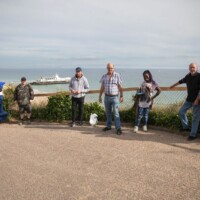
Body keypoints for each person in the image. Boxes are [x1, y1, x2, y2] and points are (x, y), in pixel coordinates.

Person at [169, 63, 200, 140]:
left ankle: (193, 134)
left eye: (193, 67)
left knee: (195, 117)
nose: (192, 69)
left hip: (197, 101)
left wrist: (197, 99)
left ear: (197, 68)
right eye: (190, 67)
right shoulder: (188, 76)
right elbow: (181, 81)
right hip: (189, 100)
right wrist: (173, 86)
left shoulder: (199, 76)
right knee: (181, 112)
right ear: (189, 68)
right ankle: (186, 127)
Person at [99, 63, 123, 135]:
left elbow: (120, 86)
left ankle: (118, 128)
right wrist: (100, 96)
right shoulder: (104, 76)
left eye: (111, 68)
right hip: (106, 97)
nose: (110, 69)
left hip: (115, 97)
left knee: (116, 113)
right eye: (109, 68)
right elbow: (102, 87)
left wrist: (121, 96)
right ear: (107, 68)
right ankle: (108, 126)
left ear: (113, 68)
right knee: (108, 113)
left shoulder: (117, 75)